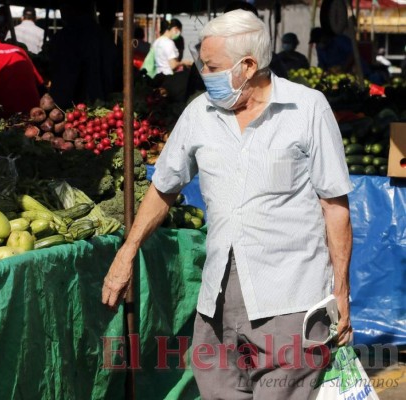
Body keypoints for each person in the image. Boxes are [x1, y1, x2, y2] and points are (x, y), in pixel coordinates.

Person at [102, 9, 353, 400]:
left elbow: (334, 206)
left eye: (212, 65)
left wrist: (341, 292)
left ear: (248, 65)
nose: (202, 71)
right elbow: (163, 188)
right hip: (217, 300)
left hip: (289, 298)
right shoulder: (198, 113)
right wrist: (127, 252)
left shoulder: (308, 109)